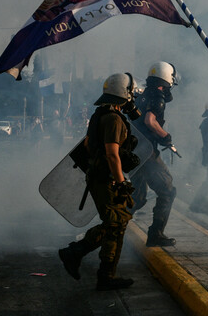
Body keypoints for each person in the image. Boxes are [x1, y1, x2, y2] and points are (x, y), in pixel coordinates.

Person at [58, 72, 140, 290]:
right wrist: (121, 182)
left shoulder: (100, 115)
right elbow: (112, 153)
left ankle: (106, 276)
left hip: (101, 177)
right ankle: (75, 253)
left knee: (117, 223)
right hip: (107, 180)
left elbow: (87, 145)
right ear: (125, 93)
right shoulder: (113, 119)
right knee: (115, 222)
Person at [130, 61, 179, 247]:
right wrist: (166, 136)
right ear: (167, 77)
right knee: (167, 190)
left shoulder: (141, 96)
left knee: (136, 199)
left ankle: (105, 231)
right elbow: (150, 121)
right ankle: (156, 234)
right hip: (147, 152)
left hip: (136, 150)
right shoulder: (157, 97)